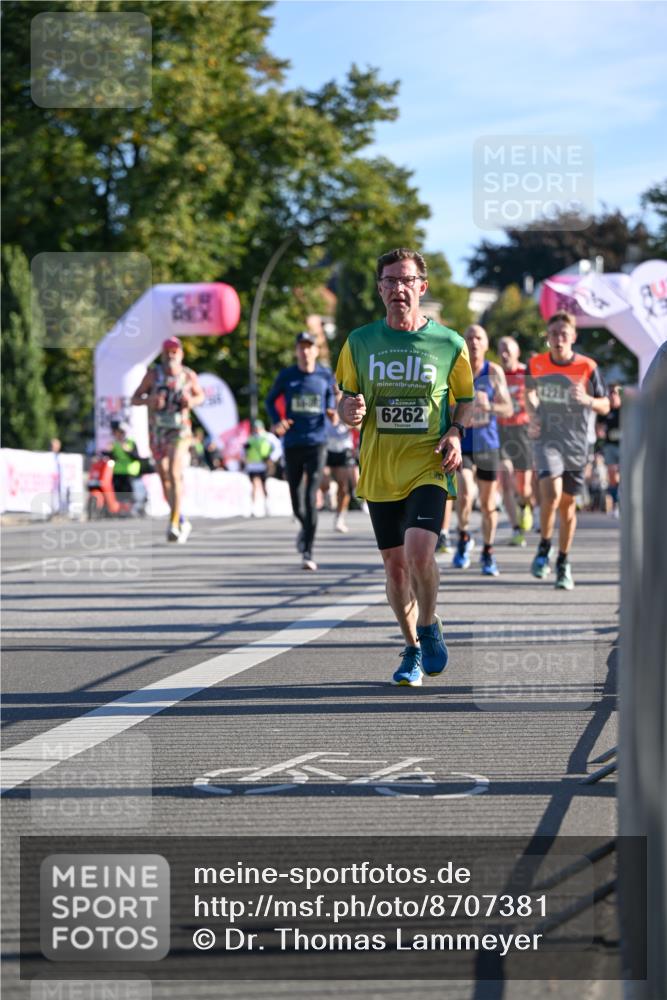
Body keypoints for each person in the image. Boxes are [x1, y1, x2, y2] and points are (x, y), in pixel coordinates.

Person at [336, 247, 474, 687]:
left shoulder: (449, 343)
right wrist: (348, 411)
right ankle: (412, 647)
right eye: (390, 281)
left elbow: (466, 400)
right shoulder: (359, 341)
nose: (398, 288)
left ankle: (429, 624)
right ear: (380, 289)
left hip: (428, 464)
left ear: (422, 287)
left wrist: (455, 432)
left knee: (419, 553)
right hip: (379, 468)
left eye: (406, 280)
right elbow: (345, 398)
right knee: (395, 569)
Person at [526, 310, 610, 589]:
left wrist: (587, 399)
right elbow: (528, 392)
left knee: (568, 505)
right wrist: (533, 413)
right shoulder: (537, 364)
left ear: (573, 337)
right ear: (548, 338)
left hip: (578, 443)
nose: (558, 339)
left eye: (564, 334)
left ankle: (562, 560)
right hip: (548, 439)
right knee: (550, 493)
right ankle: (544, 546)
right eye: (553, 334)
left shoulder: (588, 366)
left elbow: (606, 404)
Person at [265, 331, 337, 571]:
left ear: (316, 350)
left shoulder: (325, 375)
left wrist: (332, 411)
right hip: (293, 442)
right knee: (297, 502)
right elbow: (269, 400)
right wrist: (277, 420)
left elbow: (331, 398)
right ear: (297, 351)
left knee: (310, 495)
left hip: (317, 442)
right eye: (301, 347)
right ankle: (305, 530)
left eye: (309, 347)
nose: (305, 351)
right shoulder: (287, 376)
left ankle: (307, 549)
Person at [452, 324, 513, 576]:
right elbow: (444, 405)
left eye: (479, 337)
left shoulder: (494, 371)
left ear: (486, 344)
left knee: (488, 504)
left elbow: (508, 409)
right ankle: (464, 536)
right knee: (465, 492)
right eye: (469, 337)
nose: (474, 341)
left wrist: (489, 407)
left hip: (488, 444)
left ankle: (488, 551)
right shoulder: (456, 370)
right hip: (464, 442)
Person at [131, 336, 205, 542]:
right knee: (164, 476)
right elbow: (135, 398)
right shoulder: (153, 376)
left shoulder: (189, 376)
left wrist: (191, 400)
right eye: (167, 351)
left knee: (174, 471)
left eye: (175, 351)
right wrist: (149, 401)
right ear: (163, 355)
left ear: (181, 354)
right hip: (157, 431)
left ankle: (173, 523)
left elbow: (201, 396)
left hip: (180, 431)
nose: (171, 355)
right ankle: (180, 517)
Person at [497, 335, 535, 546]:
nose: (504, 353)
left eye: (508, 350)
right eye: (501, 349)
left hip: (522, 430)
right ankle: (515, 528)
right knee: (505, 480)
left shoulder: (525, 373)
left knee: (524, 486)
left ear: (516, 352)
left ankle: (526, 505)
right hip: (501, 430)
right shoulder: (496, 374)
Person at [324, 404, 359, 533]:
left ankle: (339, 517)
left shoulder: (349, 402)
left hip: (344, 449)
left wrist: (351, 424)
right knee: (324, 484)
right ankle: (326, 496)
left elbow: (360, 426)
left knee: (344, 487)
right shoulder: (323, 398)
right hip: (326, 447)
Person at [106, 421, 145, 515]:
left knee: (130, 493)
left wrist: (128, 451)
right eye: (116, 432)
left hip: (130, 472)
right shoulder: (113, 444)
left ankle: (132, 509)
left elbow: (137, 457)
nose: (118, 434)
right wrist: (109, 452)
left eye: (120, 432)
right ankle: (121, 510)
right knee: (118, 492)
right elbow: (111, 458)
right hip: (117, 472)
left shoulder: (131, 443)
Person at [597, 383, 622, 514]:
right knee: (612, 475)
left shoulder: (626, 410)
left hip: (625, 446)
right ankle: (616, 504)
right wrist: (600, 431)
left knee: (624, 475)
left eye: (616, 392)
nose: (613, 395)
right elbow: (599, 427)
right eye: (611, 392)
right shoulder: (606, 410)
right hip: (610, 446)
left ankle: (624, 501)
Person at [243, 419, 275, 516]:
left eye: (258, 428)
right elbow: (244, 450)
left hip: (263, 464)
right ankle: (253, 508)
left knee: (264, 485)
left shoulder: (268, 437)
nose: (256, 429)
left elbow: (276, 448)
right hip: (252, 465)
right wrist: (245, 458)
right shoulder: (250, 438)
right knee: (253, 486)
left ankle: (267, 506)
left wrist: (271, 459)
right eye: (255, 428)